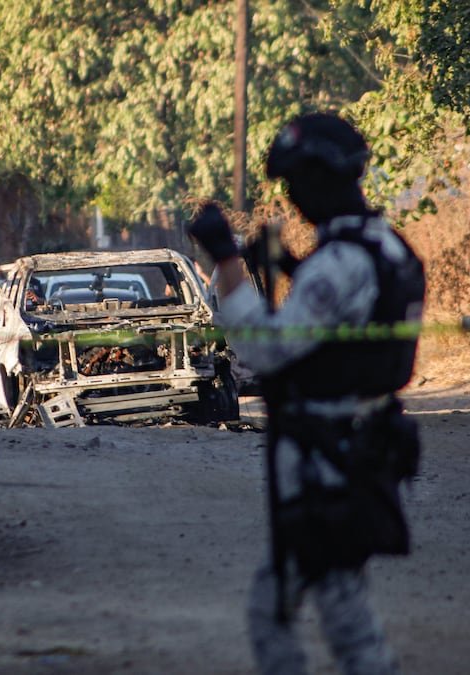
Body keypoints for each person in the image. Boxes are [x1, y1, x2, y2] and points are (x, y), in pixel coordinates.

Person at [187, 112, 425, 675]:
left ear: (323, 180)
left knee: (326, 619)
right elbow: (343, 316)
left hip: (328, 457)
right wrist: (286, 265)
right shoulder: (387, 247)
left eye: (297, 185)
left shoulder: (339, 263)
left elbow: (267, 351)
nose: (293, 200)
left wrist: (225, 261)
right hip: (364, 442)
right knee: (308, 606)